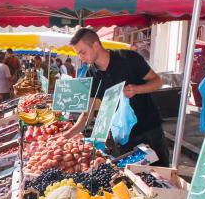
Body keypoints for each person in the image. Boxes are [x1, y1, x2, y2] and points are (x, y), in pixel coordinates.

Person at [65, 28, 168, 166]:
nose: (80, 57)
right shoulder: (91, 74)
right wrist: (68, 134)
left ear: (95, 45)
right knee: (131, 180)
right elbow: (87, 113)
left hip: (149, 130)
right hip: (123, 139)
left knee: (161, 177)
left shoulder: (129, 58)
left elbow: (157, 81)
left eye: (82, 52)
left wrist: (137, 89)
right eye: (78, 54)